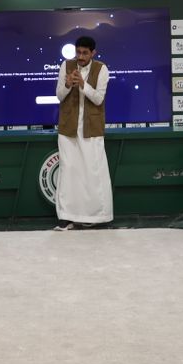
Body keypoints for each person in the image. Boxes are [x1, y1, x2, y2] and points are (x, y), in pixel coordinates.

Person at [52, 35, 113, 230]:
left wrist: (83, 85)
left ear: (93, 53)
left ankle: (96, 216)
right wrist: (68, 85)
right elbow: (59, 96)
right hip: (68, 128)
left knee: (93, 172)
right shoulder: (66, 65)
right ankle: (66, 217)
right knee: (69, 171)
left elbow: (98, 99)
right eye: (78, 52)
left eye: (85, 53)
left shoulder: (102, 69)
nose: (80, 56)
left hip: (91, 128)